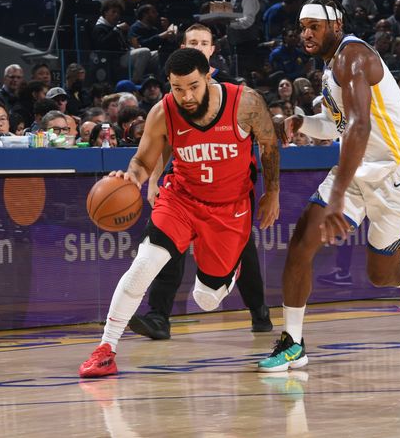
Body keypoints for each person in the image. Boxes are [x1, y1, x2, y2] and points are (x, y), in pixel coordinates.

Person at [258, 0, 400, 373]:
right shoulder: (331, 68)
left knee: (381, 275)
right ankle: (293, 343)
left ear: (336, 25)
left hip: (396, 176)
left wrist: (335, 197)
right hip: (356, 170)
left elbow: (360, 127)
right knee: (301, 242)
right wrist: (303, 123)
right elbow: (338, 126)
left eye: (314, 26)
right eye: (302, 27)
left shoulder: (354, 57)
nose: (306, 34)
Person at [78, 48, 280, 377]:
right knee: (144, 264)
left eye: (193, 87)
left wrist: (272, 192)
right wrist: (131, 178)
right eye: (177, 88)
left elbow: (269, 145)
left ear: (208, 77)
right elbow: (143, 162)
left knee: (206, 299)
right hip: (181, 198)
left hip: (229, 208)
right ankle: (106, 349)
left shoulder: (245, 102)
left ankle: (230, 272)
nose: (185, 96)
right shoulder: (163, 112)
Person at [128, 24, 274, 340]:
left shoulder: (236, 94)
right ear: (182, 46)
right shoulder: (177, 98)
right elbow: (166, 141)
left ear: (212, 52)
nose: (198, 45)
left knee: (243, 251)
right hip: (188, 186)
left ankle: (258, 310)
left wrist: (271, 191)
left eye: (204, 42)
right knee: (168, 247)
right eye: (192, 41)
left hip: (232, 190)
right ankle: (158, 316)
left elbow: (267, 141)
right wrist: (154, 179)